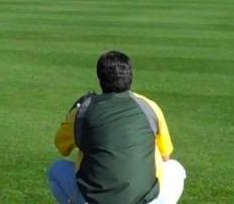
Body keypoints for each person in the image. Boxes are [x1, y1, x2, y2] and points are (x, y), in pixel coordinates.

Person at [48, 50, 186, 204]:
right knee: (175, 168)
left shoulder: (83, 111)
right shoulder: (149, 106)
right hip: (146, 200)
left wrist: (72, 114)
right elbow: (166, 156)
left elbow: (62, 148)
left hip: (94, 200)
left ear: (100, 78)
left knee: (57, 169)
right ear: (130, 77)